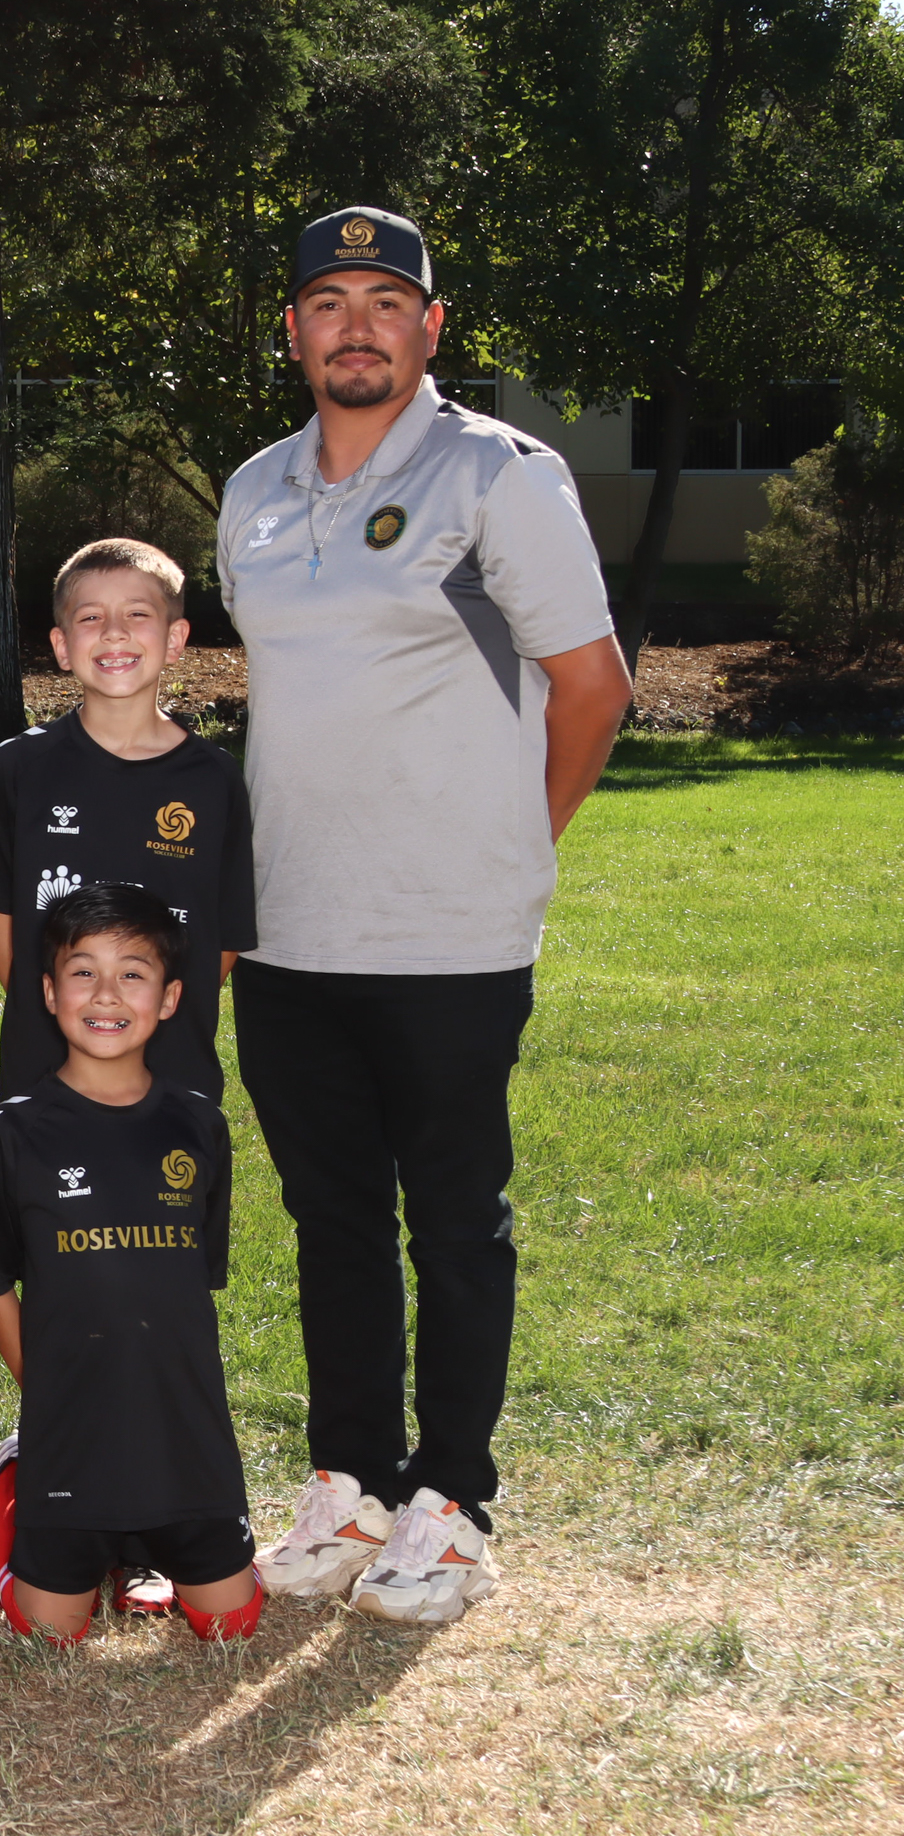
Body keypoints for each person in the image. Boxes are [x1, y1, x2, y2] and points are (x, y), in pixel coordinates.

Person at [218, 206, 630, 1624]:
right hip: (287, 929)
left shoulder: (498, 474)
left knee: (453, 1221)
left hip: (449, 929)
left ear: (431, 327)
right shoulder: (253, 489)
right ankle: (351, 1482)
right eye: (330, 301)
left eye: (386, 301)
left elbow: (594, 688)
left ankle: (451, 1501)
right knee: (329, 1219)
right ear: (293, 330)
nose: (358, 326)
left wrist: (515, 841)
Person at [0, 883, 260, 1646]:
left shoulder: (199, 1126)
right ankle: (15, 1492)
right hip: (70, 1430)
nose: (106, 994)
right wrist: (48, 1387)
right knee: (49, 1634)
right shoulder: (12, 1132)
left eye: (133, 973)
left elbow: (195, 1282)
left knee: (231, 1625)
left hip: (185, 1428)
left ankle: (156, 1546)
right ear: (48, 992)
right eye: (83, 971)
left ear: (170, 998)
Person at [0, 538, 255, 1106]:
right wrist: (70, 1014)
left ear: (175, 639)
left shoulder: (214, 779)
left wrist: (144, 1012)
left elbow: (222, 940)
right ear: (62, 645)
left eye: (137, 614)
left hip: (171, 1068)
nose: (114, 633)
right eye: (91, 617)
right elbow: (0, 927)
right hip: (46, 1067)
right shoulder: (20, 767)